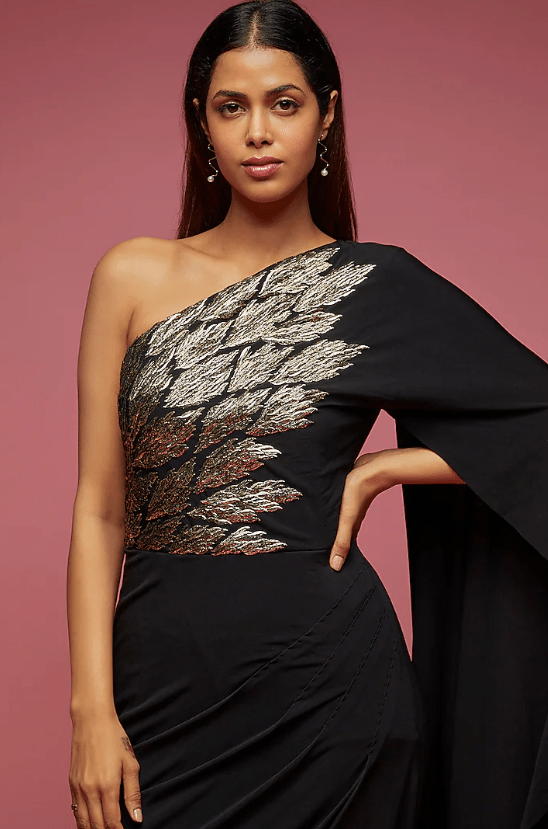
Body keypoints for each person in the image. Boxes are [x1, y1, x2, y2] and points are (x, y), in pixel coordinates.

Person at [66, 1, 548, 827]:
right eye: (232, 106)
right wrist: (90, 713)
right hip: (160, 700)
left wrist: (391, 467)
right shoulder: (132, 276)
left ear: (326, 115)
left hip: (334, 706)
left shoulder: (374, 285)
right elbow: (101, 510)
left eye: (284, 104)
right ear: (201, 122)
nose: (258, 131)